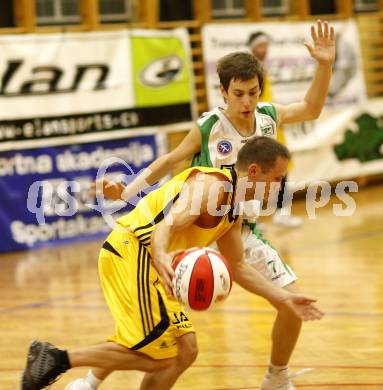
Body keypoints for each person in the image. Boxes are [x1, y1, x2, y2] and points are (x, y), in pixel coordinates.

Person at [78, 20, 335, 390]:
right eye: (239, 94)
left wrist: (324, 65)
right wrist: (128, 191)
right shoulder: (208, 128)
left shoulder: (268, 116)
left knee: (291, 301)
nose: (247, 102)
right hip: (196, 226)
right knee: (150, 310)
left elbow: (311, 108)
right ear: (223, 92)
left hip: (237, 228)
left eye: (253, 92)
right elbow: (168, 162)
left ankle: (275, 377)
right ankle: (90, 378)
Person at [21, 137, 324, 390]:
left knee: (186, 350)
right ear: (255, 172)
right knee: (162, 356)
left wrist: (284, 297)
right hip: (134, 252)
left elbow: (239, 266)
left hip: (153, 265)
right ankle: (57, 358)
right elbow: (169, 224)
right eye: (278, 179)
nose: (281, 187)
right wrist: (163, 254)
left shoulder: (233, 209)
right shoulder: (210, 187)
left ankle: (64, 364)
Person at [247, 30, 302, 228]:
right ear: (254, 47)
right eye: (261, 45)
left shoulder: (262, 69)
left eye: (266, 45)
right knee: (254, 173)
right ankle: (249, 218)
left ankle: (282, 212)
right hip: (259, 128)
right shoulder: (251, 70)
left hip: (273, 125)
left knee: (283, 168)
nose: (265, 49)